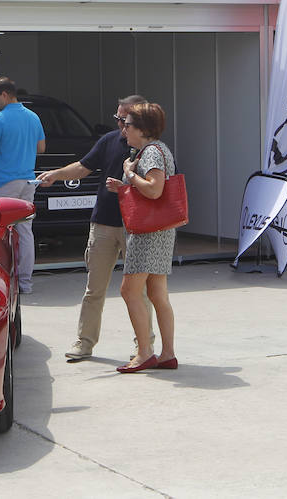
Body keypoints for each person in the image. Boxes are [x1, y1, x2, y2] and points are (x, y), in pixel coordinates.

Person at [38, 95, 155, 361]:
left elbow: (157, 188)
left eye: (123, 119)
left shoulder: (151, 149)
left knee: (139, 291)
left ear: (137, 120)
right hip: (103, 223)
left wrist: (128, 186)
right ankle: (84, 342)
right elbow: (82, 167)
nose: (119, 124)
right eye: (117, 118)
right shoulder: (108, 141)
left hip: (134, 227)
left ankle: (144, 345)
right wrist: (55, 175)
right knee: (94, 289)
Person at [106, 102, 178, 372]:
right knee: (158, 293)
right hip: (161, 230)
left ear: (143, 129)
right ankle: (167, 353)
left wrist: (128, 175)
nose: (124, 128)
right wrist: (126, 186)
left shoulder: (150, 153)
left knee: (129, 290)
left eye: (128, 124)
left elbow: (154, 190)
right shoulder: (159, 149)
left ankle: (145, 352)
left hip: (148, 233)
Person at [0, 77, 45, 294]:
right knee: (26, 232)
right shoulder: (33, 117)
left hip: (3, 183)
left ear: (5, 95)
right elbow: (41, 148)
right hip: (28, 180)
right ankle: (26, 283)